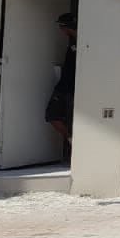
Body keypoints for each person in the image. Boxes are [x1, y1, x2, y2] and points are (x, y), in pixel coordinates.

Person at [46, 12, 77, 161]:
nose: (60, 30)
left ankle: (74, 143)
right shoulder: (72, 39)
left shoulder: (81, 41)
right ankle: (72, 140)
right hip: (65, 85)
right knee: (55, 115)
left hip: (70, 87)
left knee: (53, 114)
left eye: (61, 26)